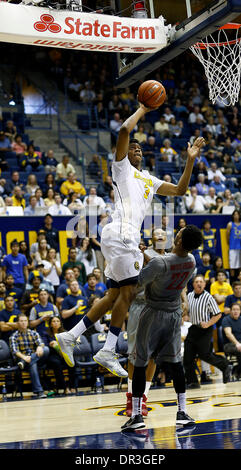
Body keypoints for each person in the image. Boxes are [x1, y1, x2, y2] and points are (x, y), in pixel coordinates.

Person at [55, 102, 205, 375]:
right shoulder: (121, 169)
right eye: (133, 148)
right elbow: (125, 130)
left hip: (121, 237)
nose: (136, 150)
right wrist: (143, 109)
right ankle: (108, 349)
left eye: (139, 149)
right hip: (122, 234)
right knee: (129, 291)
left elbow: (181, 190)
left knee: (114, 293)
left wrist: (191, 159)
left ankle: (70, 336)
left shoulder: (148, 179)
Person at [121, 225, 201, 431]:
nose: (176, 233)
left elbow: (139, 281)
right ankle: (182, 412)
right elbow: (166, 266)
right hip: (174, 314)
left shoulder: (159, 262)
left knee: (140, 361)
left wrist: (136, 260)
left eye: (179, 232)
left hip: (153, 313)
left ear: (180, 241)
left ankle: (137, 415)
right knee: (175, 363)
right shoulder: (191, 261)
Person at [125, 228, 167, 418]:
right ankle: (131, 397)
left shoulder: (171, 258)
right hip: (139, 306)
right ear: (151, 239)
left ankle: (143, 398)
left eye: (163, 235)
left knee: (153, 357)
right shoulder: (141, 254)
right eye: (156, 234)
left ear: (167, 240)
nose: (159, 237)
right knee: (134, 355)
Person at [183, 275, 231, 389]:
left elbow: (218, 314)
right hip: (193, 328)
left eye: (201, 282)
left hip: (205, 329)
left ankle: (224, 365)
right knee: (187, 357)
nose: (199, 283)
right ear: (193, 284)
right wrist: (186, 315)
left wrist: (208, 323)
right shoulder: (189, 295)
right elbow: (188, 310)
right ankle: (193, 382)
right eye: (196, 282)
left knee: (205, 355)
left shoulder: (208, 297)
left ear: (204, 284)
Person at [9, 313, 49, 398]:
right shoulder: (13, 336)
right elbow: (15, 351)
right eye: (21, 321)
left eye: (25, 321)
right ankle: (39, 392)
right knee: (32, 364)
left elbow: (41, 343)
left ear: (27, 322)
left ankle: (38, 391)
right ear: (17, 323)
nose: (23, 323)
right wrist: (24, 358)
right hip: (21, 360)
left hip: (34, 357)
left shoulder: (33, 333)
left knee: (45, 349)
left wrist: (39, 347)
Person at [44, 316, 77, 394]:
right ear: (50, 324)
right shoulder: (46, 333)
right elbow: (45, 345)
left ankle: (72, 386)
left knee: (72, 363)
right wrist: (51, 345)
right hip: (52, 355)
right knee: (56, 363)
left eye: (57, 321)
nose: (56, 323)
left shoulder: (65, 333)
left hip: (64, 354)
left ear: (60, 323)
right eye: (53, 321)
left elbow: (70, 345)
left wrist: (57, 344)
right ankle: (65, 387)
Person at [222, 303, 241, 379]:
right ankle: (237, 371)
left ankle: (236, 370)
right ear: (230, 311)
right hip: (229, 345)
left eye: (237, 310)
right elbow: (228, 334)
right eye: (234, 310)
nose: (235, 311)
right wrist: (237, 343)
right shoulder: (226, 320)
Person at [226, 209, 241, 280]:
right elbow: (227, 235)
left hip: (240, 247)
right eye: (235, 214)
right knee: (232, 265)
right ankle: (232, 280)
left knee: (240, 265)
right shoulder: (230, 224)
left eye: (237, 214)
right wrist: (230, 243)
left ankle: (239, 280)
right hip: (233, 247)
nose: (236, 216)